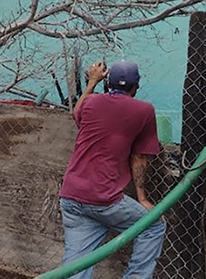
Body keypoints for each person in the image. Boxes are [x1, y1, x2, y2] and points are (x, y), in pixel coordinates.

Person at [59, 61, 166, 279]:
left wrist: (91, 82)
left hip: (71, 196)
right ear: (136, 86)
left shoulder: (90, 103)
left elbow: (76, 113)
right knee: (153, 226)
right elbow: (139, 157)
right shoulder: (144, 111)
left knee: (75, 267)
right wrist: (142, 198)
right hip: (105, 199)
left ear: (108, 82)